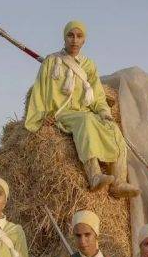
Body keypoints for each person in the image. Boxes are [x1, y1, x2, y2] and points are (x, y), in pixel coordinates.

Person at [24, 20, 139, 199]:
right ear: (64, 38)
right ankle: (94, 176)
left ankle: (118, 182)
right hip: (62, 113)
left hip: (84, 111)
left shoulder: (89, 65)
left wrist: (104, 113)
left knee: (113, 128)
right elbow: (39, 91)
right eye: (70, 35)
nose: (74, 40)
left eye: (79, 36)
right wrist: (43, 114)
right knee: (86, 120)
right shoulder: (51, 61)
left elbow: (97, 95)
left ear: (84, 40)